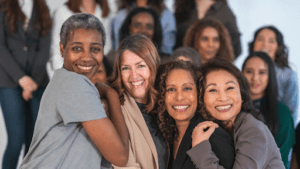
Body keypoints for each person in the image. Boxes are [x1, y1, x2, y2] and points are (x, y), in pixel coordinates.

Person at [19, 13, 129, 168]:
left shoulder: (63, 80)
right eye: (77, 48)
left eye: (95, 49)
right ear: (62, 49)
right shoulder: (74, 83)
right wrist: (111, 95)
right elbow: (121, 156)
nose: (86, 57)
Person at [190, 59, 285, 168]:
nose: (223, 98)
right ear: (201, 98)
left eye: (230, 88)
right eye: (212, 90)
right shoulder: (215, 129)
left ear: (242, 94)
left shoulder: (253, 130)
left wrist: (200, 149)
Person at [153, 60, 235, 169]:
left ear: (199, 92)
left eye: (187, 88)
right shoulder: (167, 136)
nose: (179, 97)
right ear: (163, 96)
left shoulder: (213, 134)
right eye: (171, 89)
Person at [0, 0, 51, 168]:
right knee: (16, 140)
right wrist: (22, 79)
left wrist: (32, 82)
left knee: (34, 142)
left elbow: (44, 47)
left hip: (38, 82)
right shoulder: (3, 6)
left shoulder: (42, 7)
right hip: (10, 81)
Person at [108, 34, 168, 169]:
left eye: (140, 66)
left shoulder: (167, 104)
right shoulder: (115, 111)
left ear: (153, 66)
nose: (134, 76)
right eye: (126, 68)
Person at [242, 52, 295, 168]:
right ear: (241, 74)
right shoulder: (233, 109)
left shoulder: (282, 112)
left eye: (262, 72)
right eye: (249, 71)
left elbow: (282, 157)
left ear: (270, 76)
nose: (255, 78)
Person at [47, 0, 114, 78]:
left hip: (96, 74)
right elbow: (56, 53)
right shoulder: (62, 12)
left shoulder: (104, 12)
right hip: (69, 75)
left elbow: (106, 49)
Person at [249, 25, 299, 124]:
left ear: (278, 47)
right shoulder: (242, 71)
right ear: (253, 44)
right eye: (260, 39)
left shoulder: (288, 75)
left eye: (271, 41)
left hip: (277, 128)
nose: (265, 44)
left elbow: (291, 114)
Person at [174, 0, 241, 59]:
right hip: (185, 66)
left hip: (214, 68)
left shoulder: (225, 12)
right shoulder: (182, 9)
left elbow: (236, 49)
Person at [111, 0, 176, 55]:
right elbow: (118, 48)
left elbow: (166, 51)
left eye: (149, 26)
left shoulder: (166, 15)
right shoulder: (121, 16)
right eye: (137, 25)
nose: (143, 30)